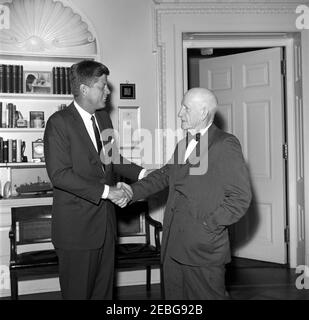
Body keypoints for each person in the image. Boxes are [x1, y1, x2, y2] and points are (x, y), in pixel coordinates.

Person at [119, 88, 252, 300]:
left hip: (203, 248)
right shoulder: (184, 144)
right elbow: (164, 175)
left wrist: (209, 226)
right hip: (173, 245)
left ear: (203, 112)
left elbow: (240, 198)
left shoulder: (225, 144)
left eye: (185, 108)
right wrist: (130, 192)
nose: (180, 113)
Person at [44, 60, 145, 300]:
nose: (108, 91)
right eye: (103, 86)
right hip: (76, 232)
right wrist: (107, 192)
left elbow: (113, 158)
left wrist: (144, 175)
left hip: (106, 228)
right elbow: (60, 175)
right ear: (84, 89)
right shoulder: (58, 123)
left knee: (104, 295)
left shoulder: (103, 120)